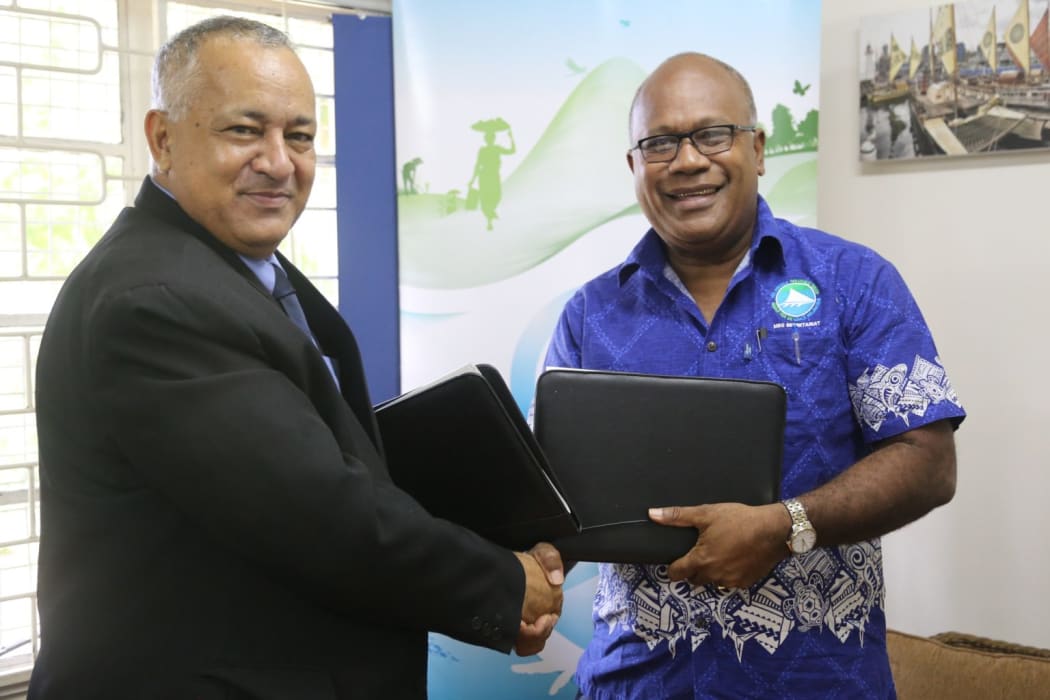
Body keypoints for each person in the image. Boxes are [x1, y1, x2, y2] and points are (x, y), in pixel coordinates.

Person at [30, 17, 563, 699]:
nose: (280, 162)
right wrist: (503, 582)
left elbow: (326, 459)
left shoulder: (236, 269)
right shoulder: (155, 300)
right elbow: (319, 515)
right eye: (244, 130)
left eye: (300, 136)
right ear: (162, 139)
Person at [544, 52, 965, 699]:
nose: (687, 161)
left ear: (759, 148)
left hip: (818, 682)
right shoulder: (590, 316)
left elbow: (928, 461)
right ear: (634, 166)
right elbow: (557, 496)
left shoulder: (856, 285)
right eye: (659, 143)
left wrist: (786, 525)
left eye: (713, 134)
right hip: (635, 682)